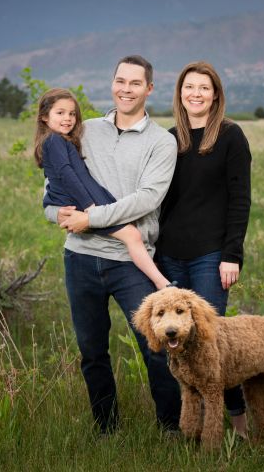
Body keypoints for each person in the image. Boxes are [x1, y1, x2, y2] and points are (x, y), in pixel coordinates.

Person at [44, 55, 181, 434]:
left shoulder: (161, 142)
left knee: (155, 347)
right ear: (112, 83)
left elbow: (147, 199)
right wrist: (54, 215)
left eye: (135, 83)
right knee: (92, 352)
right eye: (120, 81)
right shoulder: (82, 130)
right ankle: (107, 429)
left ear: (149, 89)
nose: (125, 89)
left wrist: (93, 219)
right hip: (80, 258)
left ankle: (171, 428)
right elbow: (54, 188)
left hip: (130, 262)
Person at [155, 60, 252, 438]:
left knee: (212, 347)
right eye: (189, 87)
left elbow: (240, 200)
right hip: (168, 256)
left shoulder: (230, 136)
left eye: (204, 88)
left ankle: (241, 428)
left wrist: (232, 254)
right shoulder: (168, 139)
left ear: (215, 95)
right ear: (180, 94)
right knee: (176, 349)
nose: (196, 94)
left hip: (211, 256)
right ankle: (186, 429)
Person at [34, 87, 170, 290]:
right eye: (60, 113)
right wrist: (90, 207)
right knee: (132, 236)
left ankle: (161, 282)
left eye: (72, 113)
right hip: (87, 201)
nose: (68, 118)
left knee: (132, 236)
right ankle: (163, 284)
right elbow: (65, 177)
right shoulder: (54, 141)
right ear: (44, 117)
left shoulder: (67, 139)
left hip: (92, 197)